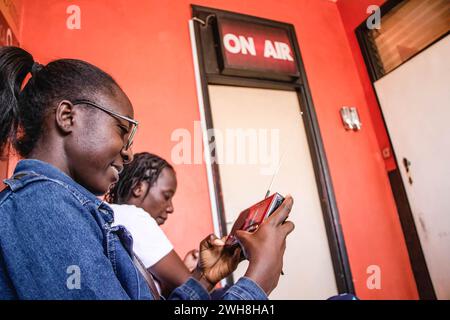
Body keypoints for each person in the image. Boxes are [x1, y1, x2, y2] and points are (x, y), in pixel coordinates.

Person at [0, 46, 295, 300]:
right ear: (68, 116)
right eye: (122, 131)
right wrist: (256, 282)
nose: (128, 153)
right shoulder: (44, 206)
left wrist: (205, 277)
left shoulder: (64, 206)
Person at [105, 152, 196, 296]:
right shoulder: (134, 218)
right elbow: (193, 293)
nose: (170, 208)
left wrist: (184, 268)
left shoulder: (109, 215)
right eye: (166, 196)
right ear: (138, 187)